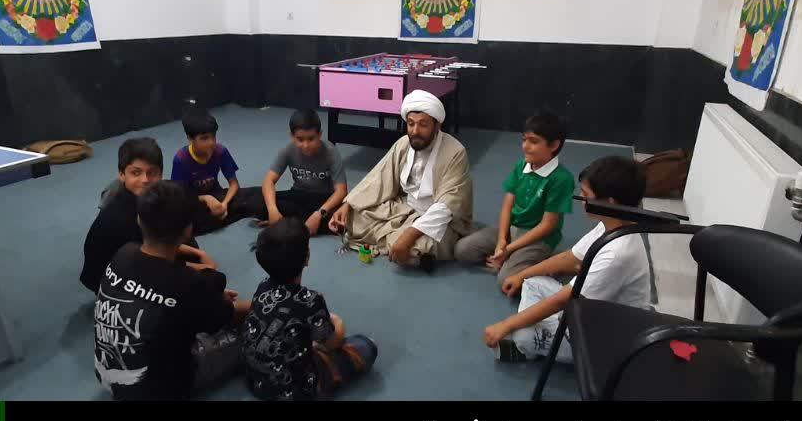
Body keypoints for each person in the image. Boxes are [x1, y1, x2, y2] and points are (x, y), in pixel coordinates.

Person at [482, 156, 650, 362]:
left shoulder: (619, 253)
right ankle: (540, 335)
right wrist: (521, 275)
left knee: (522, 335)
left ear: (609, 202)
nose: (581, 198)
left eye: (586, 194)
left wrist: (507, 324)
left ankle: (528, 348)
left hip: (606, 334)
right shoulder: (610, 223)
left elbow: (564, 300)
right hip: (591, 308)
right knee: (531, 281)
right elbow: (570, 259)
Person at [93, 181, 250, 400]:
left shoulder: (124, 253)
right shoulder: (188, 283)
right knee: (251, 334)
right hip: (157, 392)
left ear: (139, 220)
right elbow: (227, 316)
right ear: (188, 230)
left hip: (106, 376)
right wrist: (256, 304)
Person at [328, 90, 474, 271]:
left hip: (438, 219)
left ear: (437, 125)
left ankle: (409, 249)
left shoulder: (455, 152)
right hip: (405, 207)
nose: (415, 131)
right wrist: (348, 204)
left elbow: (448, 205)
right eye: (411, 124)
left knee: (421, 244)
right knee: (353, 216)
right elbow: (378, 178)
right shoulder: (404, 143)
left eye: (423, 125)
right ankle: (404, 249)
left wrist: (409, 235)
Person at [242, 217, 378, 400]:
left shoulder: (263, 286)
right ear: (306, 258)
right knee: (366, 345)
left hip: (256, 382)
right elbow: (331, 343)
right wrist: (338, 323)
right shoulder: (311, 301)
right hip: (293, 390)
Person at [79, 137, 218, 293]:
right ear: (122, 174)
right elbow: (148, 260)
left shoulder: (140, 196)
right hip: (109, 280)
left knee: (183, 235)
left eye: (152, 173)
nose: (145, 180)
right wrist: (201, 268)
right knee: (202, 280)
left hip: (132, 255)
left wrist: (198, 253)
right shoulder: (124, 217)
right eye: (136, 173)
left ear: (161, 174)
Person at [454, 113, 573, 287]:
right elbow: (507, 206)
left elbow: (547, 226)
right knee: (462, 251)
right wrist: (502, 240)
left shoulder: (561, 179)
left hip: (539, 238)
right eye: (524, 140)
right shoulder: (521, 165)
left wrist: (507, 249)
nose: (525, 146)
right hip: (512, 229)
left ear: (554, 145)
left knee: (506, 280)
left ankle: (551, 262)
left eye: (533, 141)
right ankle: (513, 260)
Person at [236, 109, 348, 236]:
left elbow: (341, 191)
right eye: (300, 139)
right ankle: (300, 223)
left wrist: (319, 214)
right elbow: (268, 181)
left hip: (323, 200)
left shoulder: (330, 152)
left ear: (320, 134)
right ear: (292, 136)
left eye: (311, 139)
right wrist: (272, 210)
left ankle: (291, 222)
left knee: (343, 219)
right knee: (255, 202)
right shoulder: (288, 150)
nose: (306, 145)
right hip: (298, 195)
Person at [171, 107, 244, 235]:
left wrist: (224, 204)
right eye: (204, 138)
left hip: (218, 196)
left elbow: (234, 184)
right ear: (190, 139)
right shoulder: (181, 159)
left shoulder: (221, 151)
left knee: (249, 197)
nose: (211, 142)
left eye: (213, 136)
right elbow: (178, 197)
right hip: (193, 201)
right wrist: (205, 198)